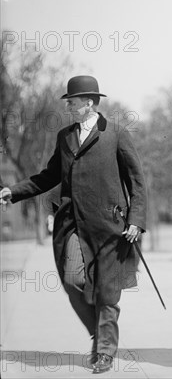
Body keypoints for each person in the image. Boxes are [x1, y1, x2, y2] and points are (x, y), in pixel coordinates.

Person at [0, 75, 147, 374]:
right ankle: (99, 331)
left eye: (72, 101)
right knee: (72, 281)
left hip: (111, 227)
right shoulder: (65, 136)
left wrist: (136, 220)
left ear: (89, 103)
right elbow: (48, 176)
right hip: (73, 226)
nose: (67, 105)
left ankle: (104, 352)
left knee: (107, 292)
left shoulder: (115, 133)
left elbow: (137, 181)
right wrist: (13, 191)